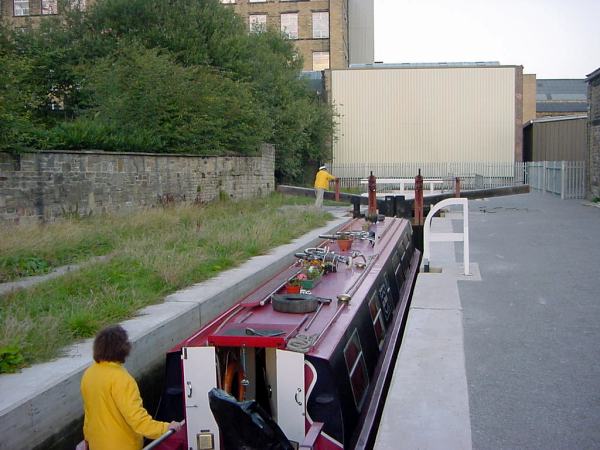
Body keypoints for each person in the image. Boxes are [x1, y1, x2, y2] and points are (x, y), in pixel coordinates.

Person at [80, 325, 182, 450]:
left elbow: (89, 416)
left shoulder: (89, 373)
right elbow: (138, 420)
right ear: (122, 349)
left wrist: (87, 439)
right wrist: (166, 428)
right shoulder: (122, 380)